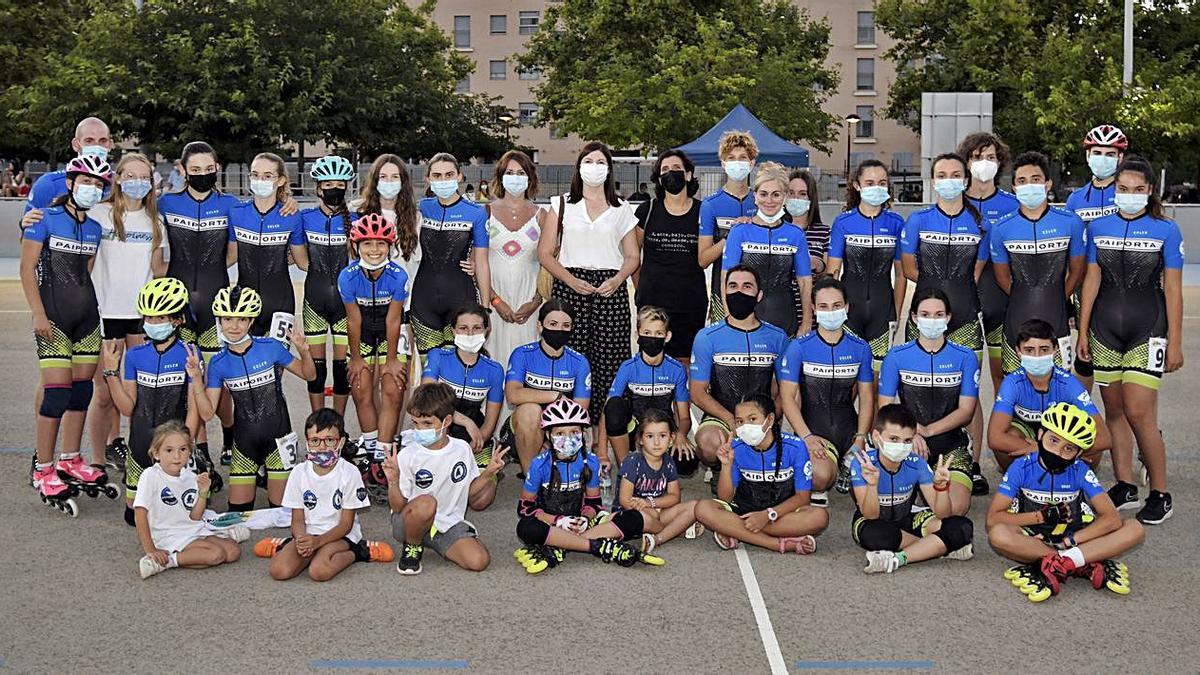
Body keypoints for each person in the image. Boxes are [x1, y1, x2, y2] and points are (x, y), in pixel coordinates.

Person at [1077, 157, 1184, 524]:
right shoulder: (1098, 227)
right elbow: (1090, 280)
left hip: (1148, 328)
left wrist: (1176, 340)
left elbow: (1172, 290)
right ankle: (1124, 484)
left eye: (1139, 190)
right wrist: (1084, 330)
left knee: (1140, 412)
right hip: (1105, 330)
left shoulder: (1166, 230)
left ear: (1150, 191)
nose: (1130, 196)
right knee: (1116, 411)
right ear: (1115, 191)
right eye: (1124, 189)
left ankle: (1160, 492)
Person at [22, 155, 112, 511]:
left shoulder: (93, 228)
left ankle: (71, 459)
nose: (90, 188)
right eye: (84, 181)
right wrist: (39, 314)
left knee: (81, 393)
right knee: (56, 395)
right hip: (54, 319)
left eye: (97, 184)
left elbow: (85, 271)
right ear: (71, 183)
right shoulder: (45, 219)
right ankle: (43, 468)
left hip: (88, 319)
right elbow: (28, 269)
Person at [986, 403, 1144, 603]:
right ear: (1040, 435)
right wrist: (1039, 516)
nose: (1057, 452)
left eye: (1068, 448)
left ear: (1078, 454)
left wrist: (1071, 541)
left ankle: (1062, 562)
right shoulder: (1021, 466)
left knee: (1134, 528)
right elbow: (993, 518)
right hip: (1036, 537)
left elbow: (1111, 518)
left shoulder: (1080, 470)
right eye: (1053, 440)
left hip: (1075, 536)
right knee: (998, 534)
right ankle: (1081, 561)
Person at [900, 153, 990, 495]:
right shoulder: (918, 220)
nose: (949, 180)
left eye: (956, 174)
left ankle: (974, 463)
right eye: (942, 174)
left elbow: (976, 275)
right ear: (933, 180)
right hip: (924, 317)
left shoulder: (980, 224)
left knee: (969, 393)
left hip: (965, 318)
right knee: (914, 389)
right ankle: (912, 456)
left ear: (965, 181)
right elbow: (910, 270)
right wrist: (933, 304)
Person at [540, 141, 639, 432]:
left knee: (610, 366)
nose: (594, 167)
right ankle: (566, 437)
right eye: (588, 161)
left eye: (600, 162)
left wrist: (617, 280)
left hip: (610, 290)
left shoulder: (622, 208)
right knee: (568, 364)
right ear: (578, 167)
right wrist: (570, 280)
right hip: (570, 289)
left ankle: (603, 443)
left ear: (608, 169)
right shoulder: (560, 205)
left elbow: (633, 256)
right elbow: (545, 253)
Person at [103, 279, 215, 525]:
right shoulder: (135, 356)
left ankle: (199, 469)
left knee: (181, 516)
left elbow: (194, 409)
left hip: (174, 449)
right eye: (149, 318)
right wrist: (111, 373)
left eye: (159, 318)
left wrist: (187, 447)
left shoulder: (189, 353)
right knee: (133, 518)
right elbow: (126, 407)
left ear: (177, 320)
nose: (152, 324)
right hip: (140, 445)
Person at [196, 286, 316, 510]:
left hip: (278, 440)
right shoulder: (218, 363)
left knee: (282, 513)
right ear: (219, 322)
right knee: (238, 513)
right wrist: (196, 380)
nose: (234, 326)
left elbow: (309, 374)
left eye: (241, 319)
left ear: (251, 322)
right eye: (228, 319)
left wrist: (305, 351)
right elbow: (207, 413)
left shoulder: (270, 347)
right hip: (244, 444)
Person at [88, 152, 168, 469]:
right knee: (105, 392)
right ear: (118, 178)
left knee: (140, 391)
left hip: (141, 318)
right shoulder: (97, 213)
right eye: (130, 175)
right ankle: (97, 458)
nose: (137, 182)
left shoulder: (155, 221)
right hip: (104, 313)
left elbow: (159, 269)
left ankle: (138, 451)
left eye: (144, 177)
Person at [514, 398, 651, 573]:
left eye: (574, 432)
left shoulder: (591, 461)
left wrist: (585, 519)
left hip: (582, 522)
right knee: (525, 528)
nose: (568, 439)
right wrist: (559, 521)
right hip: (552, 523)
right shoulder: (539, 464)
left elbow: (594, 503)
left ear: (583, 434)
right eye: (560, 434)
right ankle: (597, 546)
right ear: (548, 435)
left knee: (634, 518)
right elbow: (525, 508)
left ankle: (561, 546)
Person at [257, 408, 393, 581]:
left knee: (319, 572)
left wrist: (318, 543)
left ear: (341, 442)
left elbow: (345, 524)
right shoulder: (299, 472)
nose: (321, 447)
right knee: (279, 571)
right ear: (307, 442)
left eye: (329, 440)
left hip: (340, 535)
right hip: (309, 534)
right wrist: (300, 539)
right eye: (315, 440)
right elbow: (297, 519)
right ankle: (288, 545)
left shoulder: (349, 473)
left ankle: (360, 551)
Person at [878, 288, 980, 515]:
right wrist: (911, 433)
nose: (932, 320)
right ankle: (922, 501)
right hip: (907, 444)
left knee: (955, 509)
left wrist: (925, 430)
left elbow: (966, 410)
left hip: (951, 446)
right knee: (887, 507)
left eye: (938, 314)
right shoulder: (896, 356)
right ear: (914, 317)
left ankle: (927, 501)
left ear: (948, 317)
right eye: (925, 314)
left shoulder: (966, 357)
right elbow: (885, 408)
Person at [385, 383, 505, 574]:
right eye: (415, 423)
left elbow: (469, 492)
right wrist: (392, 481)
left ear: (447, 421)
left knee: (479, 561)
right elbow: (398, 507)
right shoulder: (407, 454)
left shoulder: (462, 449)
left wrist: (488, 473)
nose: (419, 430)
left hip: (446, 522)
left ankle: (432, 541)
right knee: (426, 503)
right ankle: (413, 547)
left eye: (427, 424)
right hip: (409, 521)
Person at [694, 395, 828, 553]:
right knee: (702, 509)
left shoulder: (796, 447)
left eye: (752, 419)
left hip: (780, 514)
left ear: (770, 420)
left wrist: (767, 515)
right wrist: (726, 465)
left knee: (820, 517)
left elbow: (802, 498)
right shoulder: (735, 448)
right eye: (739, 421)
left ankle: (735, 531)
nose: (745, 426)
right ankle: (777, 544)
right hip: (743, 511)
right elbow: (725, 498)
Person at [849, 404, 975, 573]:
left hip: (908, 517)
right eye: (894, 439)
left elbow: (943, 514)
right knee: (876, 536)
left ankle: (897, 559)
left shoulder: (917, 463)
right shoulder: (862, 463)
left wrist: (942, 489)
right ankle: (938, 547)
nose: (901, 446)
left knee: (962, 527)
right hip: (874, 522)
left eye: (907, 440)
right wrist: (872, 485)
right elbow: (870, 515)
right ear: (877, 436)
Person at [991, 151, 1086, 374]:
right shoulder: (1002, 228)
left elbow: (1077, 271)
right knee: (1017, 397)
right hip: (1016, 321)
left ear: (1047, 184)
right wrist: (1025, 296)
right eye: (1022, 181)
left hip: (1057, 320)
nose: (1029, 186)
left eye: (1035, 179)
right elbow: (1002, 277)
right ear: (1013, 187)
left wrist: (1055, 296)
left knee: (1059, 395)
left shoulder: (1071, 222)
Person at [778, 278, 873, 498]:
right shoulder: (798, 348)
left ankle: (845, 464)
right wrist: (807, 437)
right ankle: (816, 470)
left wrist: (860, 438)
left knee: (878, 479)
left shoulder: (861, 348)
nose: (830, 311)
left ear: (847, 307)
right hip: (815, 431)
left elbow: (867, 399)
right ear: (813, 309)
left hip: (849, 432)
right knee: (820, 477)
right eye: (823, 306)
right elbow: (788, 398)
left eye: (836, 306)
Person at [689, 265, 789, 474]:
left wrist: (769, 420)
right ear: (724, 292)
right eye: (733, 286)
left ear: (759, 295)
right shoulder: (707, 337)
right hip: (722, 417)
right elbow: (697, 393)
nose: (739, 292)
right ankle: (721, 469)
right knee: (707, 444)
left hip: (762, 418)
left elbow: (787, 391)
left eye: (747, 286)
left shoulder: (777, 337)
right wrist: (733, 422)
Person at [338, 214, 410, 488]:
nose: (374, 250)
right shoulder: (348, 276)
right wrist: (356, 358)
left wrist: (391, 360)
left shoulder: (398, 275)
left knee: (392, 389)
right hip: (363, 330)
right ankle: (370, 451)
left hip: (392, 329)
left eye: (381, 244)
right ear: (356, 246)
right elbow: (353, 320)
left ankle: (383, 451)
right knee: (360, 388)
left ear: (390, 246)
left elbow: (394, 320)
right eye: (367, 243)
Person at [352, 154, 421, 426]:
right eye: (383, 177)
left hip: (402, 310)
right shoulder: (357, 211)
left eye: (395, 177)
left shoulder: (415, 217)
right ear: (374, 180)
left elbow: (418, 265)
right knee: (369, 378)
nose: (389, 182)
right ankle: (378, 439)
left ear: (403, 182)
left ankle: (392, 436)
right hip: (365, 308)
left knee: (394, 381)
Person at [988, 319, 1109, 471]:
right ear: (1018, 352)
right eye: (1029, 350)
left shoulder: (1069, 384)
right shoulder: (1012, 382)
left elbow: (1104, 438)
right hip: (1027, 436)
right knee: (1007, 442)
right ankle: (1023, 481)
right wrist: (1041, 449)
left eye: (1044, 349)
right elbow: (994, 438)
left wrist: (1057, 451)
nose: (1037, 356)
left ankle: (1065, 479)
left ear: (1055, 350)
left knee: (1094, 453)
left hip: (1061, 441)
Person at [134, 421, 244, 579]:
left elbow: (194, 517)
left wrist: (203, 493)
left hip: (191, 529)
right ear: (156, 453)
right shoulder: (151, 475)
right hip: (168, 535)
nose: (177, 456)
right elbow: (140, 514)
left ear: (189, 452)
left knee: (233, 552)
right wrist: (150, 549)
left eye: (183, 449)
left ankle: (219, 536)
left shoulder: (191, 477)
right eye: (169, 450)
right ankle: (165, 561)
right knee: (216, 555)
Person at [825, 160, 906, 374]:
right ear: (857, 185)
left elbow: (900, 275)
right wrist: (832, 311)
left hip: (883, 310)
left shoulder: (896, 223)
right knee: (847, 379)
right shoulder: (843, 223)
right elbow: (833, 273)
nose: (876, 187)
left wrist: (896, 313)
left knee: (878, 382)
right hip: (850, 312)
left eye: (881, 182)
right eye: (869, 182)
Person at [412, 153, 491, 357]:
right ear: (428, 178)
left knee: (456, 368)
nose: (443, 180)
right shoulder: (422, 208)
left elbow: (482, 263)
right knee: (429, 369)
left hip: (461, 298)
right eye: (437, 175)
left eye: (449, 174)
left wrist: (485, 307)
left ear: (459, 176)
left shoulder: (476, 212)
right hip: (423, 299)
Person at [958, 132, 1020, 391]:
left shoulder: (1014, 205)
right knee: (964, 384)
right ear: (966, 162)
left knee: (1004, 379)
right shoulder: (953, 203)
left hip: (1002, 299)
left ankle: (1002, 432)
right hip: (962, 299)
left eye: (990, 157)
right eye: (976, 157)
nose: (984, 162)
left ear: (1000, 162)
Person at [634, 149, 706, 370]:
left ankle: (682, 406)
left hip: (690, 304)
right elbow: (633, 256)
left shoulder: (703, 211)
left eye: (676, 169)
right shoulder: (646, 210)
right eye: (665, 169)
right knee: (651, 361)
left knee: (684, 364)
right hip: (652, 303)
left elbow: (706, 256)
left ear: (688, 175)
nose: (671, 173)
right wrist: (641, 290)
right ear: (658, 177)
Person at [722, 161, 813, 336]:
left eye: (776, 195)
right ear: (754, 195)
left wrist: (806, 322)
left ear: (785, 196)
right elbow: (726, 280)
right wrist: (729, 319)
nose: (769, 201)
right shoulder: (740, 231)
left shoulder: (796, 234)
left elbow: (804, 282)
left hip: (785, 319)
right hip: (746, 319)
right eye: (763, 194)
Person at [503, 299, 592, 472]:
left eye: (566, 325)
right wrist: (555, 395)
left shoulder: (580, 361)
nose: (559, 329)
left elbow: (580, 410)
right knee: (530, 409)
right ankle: (532, 481)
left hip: (562, 429)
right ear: (539, 326)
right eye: (553, 323)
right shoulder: (522, 354)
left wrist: (551, 439)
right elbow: (513, 395)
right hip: (524, 428)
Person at [299, 155, 356, 416]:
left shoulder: (356, 219)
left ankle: (338, 427)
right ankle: (317, 425)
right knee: (317, 371)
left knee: (342, 371)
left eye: (340, 184)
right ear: (318, 188)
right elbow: (301, 261)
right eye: (329, 184)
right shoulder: (305, 217)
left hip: (346, 304)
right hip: (315, 300)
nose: (335, 189)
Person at [602, 306, 693, 469]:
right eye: (647, 333)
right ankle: (627, 468)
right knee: (614, 405)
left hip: (663, 430)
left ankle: (656, 462)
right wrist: (602, 454)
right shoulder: (628, 367)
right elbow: (608, 409)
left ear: (667, 336)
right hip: (634, 429)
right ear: (637, 335)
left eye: (658, 333)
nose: (652, 338)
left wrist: (681, 435)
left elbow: (685, 417)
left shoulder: (676, 369)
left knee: (687, 463)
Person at [228, 152, 306, 337]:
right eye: (255, 175)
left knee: (278, 364)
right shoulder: (237, 213)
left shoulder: (292, 216)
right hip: (244, 302)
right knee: (247, 363)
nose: (260, 180)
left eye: (267, 176)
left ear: (280, 181)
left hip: (281, 303)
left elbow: (302, 262)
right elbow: (230, 257)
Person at [421, 305, 505, 470]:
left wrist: (476, 442)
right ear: (453, 331)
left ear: (486, 331)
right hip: (437, 430)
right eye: (463, 328)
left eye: (477, 328)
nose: (470, 333)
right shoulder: (437, 356)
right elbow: (426, 399)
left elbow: (490, 422)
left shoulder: (495, 370)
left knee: (484, 491)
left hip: (475, 436)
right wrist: (466, 422)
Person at [611, 408, 702, 554]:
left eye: (663, 435)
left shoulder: (668, 462)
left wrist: (650, 503)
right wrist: (648, 508)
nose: (657, 442)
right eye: (650, 436)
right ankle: (677, 530)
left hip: (656, 509)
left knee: (694, 507)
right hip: (632, 514)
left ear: (671, 438)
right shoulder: (633, 461)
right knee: (649, 517)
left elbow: (674, 497)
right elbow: (624, 500)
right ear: (640, 439)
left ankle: (656, 539)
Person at [484, 150, 543, 371]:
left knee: (526, 366)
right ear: (500, 176)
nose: (515, 177)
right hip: (493, 300)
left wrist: (535, 303)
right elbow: (475, 264)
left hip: (527, 302)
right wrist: (496, 302)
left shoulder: (542, 216)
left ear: (530, 178)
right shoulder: (485, 212)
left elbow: (549, 265)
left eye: (521, 172)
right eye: (509, 172)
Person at [698, 131, 758, 323]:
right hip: (722, 290)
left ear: (752, 163)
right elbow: (703, 260)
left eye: (742, 158)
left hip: (758, 291)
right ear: (723, 163)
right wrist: (731, 237)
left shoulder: (762, 200)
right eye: (731, 158)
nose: (737, 163)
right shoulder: (710, 205)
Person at [22, 117, 114, 216]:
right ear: (75, 144)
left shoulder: (119, 184)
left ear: (110, 145)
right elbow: (29, 226)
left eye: (103, 141)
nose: (96, 146)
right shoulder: (49, 183)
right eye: (89, 141)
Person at [1065, 124, 1127, 224]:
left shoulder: (1130, 195)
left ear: (1120, 158)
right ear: (1088, 155)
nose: (1103, 159)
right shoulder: (1075, 198)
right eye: (1097, 153)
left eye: (1110, 155)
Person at [786, 169, 829, 278]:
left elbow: (830, 274)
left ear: (811, 197)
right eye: (791, 193)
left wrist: (818, 265)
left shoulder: (824, 232)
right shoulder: (775, 229)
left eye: (802, 193)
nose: (796, 198)